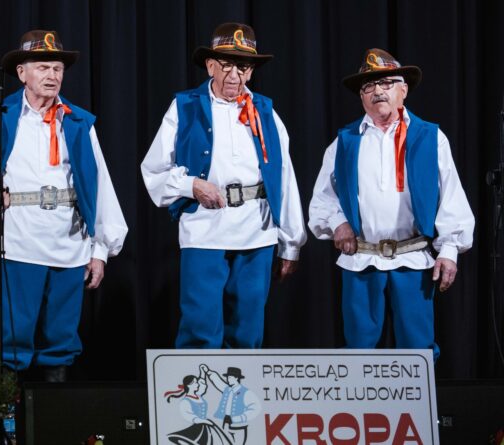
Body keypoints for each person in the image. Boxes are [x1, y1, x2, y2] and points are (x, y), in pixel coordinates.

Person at [0, 30, 127, 382]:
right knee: (11, 336)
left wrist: (101, 249)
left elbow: (100, 186)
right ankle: (6, 412)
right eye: (43, 67)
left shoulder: (78, 121)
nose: (52, 75)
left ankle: (54, 408)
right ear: (22, 73)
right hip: (17, 242)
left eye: (57, 68)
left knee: (62, 338)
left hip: (69, 244)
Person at [141, 22, 307, 349]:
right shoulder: (185, 107)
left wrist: (291, 242)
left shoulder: (265, 112)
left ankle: (242, 384)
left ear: (252, 71)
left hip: (257, 229)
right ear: (210, 66)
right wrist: (191, 185)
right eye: (226, 64)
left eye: (243, 67)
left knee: (247, 327)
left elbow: (284, 177)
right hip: (205, 228)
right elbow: (153, 169)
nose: (234, 75)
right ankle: (195, 383)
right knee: (200, 324)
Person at [308, 48, 474, 359]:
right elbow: (323, 198)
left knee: (418, 349)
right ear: (361, 97)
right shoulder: (345, 142)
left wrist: (450, 249)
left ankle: (418, 395)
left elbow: (451, 195)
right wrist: (337, 223)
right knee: (358, 350)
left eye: (386, 83)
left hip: (412, 259)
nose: (378, 91)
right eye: (369, 86)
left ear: (403, 90)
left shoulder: (430, 137)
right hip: (362, 259)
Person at [165, 365, 232, 445]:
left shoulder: (198, 396)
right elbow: (189, 416)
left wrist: (202, 372)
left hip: (205, 426)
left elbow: (202, 386)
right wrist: (203, 421)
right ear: (189, 385)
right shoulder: (185, 401)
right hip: (196, 428)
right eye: (195, 383)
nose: (198, 384)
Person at [204, 366, 260, 445]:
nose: (227, 379)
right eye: (227, 377)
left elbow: (255, 408)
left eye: (229, 377)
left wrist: (238, 418)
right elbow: (218, 381)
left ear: (236, 378)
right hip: (225, 424)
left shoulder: (246, 392)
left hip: (239, 426)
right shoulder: (227, 389)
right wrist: (208, 371)